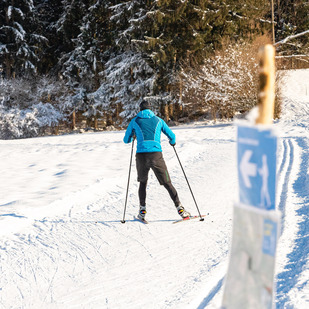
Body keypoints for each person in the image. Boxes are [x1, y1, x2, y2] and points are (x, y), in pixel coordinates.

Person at [123, 100, 191, 221]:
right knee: (167, 182)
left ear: (140, 109)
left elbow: (126, 140)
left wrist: (133, 136)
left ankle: (142, 211)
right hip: (156, 155)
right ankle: (180, 209)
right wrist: (172, 142)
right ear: (150, 109)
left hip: (141, 156)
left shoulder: (135, 121)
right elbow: (172, 136)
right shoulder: (158, 120)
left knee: (143, 183)